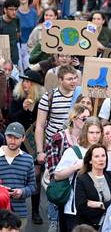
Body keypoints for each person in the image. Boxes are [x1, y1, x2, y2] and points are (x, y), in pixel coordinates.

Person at [8, 70, 44, 224]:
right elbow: (11, 119)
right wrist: (23, 109)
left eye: (29, 82)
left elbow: (42, 122)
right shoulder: (17, 98)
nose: (25, 84)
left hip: (35, 142)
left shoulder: (42, 100)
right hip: (18, 142)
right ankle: (12, 210)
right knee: (14, 175)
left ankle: (35, 211)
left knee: (35, 176)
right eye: (23, 81)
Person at [55, 117, 103, 232]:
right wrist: (76, 167)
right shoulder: (73, 151)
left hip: (96, 209)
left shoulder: (103, 151)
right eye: (91, 132)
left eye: (97, 132)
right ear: (85, 132)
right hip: (75, 209)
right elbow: (57, 175)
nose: (95, 136)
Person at [35, 65, 79, 166]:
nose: (74, 81)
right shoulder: (49, 97)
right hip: (53, 146)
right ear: (60, 80)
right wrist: (40, 152)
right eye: (69, 79)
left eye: (75, 78)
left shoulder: (79, 96)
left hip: (74, 145)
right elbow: (40, 125)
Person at [75, 144, 111, 230]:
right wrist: (108, 208)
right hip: (90, 226)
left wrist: (100, 205)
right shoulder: (82, 179)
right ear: (90, 160)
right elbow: (81, 207)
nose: (101, 159)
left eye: (103, 155)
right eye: (97, 156)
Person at [0, 122, 35, 230]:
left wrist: (22, 192)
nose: (12, 140)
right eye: (10, 136)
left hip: (19, 213)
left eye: (16, 137)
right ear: (5, 136)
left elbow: (32, 186)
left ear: (23, 138)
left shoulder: (28, 159)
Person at [15, 0, 37, 72]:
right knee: (19, 70)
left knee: (29, 70)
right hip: (18, 45)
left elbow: (35, 30)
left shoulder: (33, 12)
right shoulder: (15, 13)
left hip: (30, 46)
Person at [0, 0, 20, 67]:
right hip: (2, 59)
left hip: (14, 58)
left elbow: (18, 35)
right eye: (11, 9)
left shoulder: (17, 19)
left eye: (15, 9)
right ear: (5, 10)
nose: (14, 12)